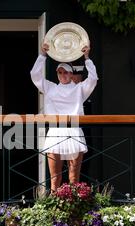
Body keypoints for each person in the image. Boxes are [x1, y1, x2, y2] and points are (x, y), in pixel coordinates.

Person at [30, 43, 98, 192]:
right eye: (60, 72)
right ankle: (54, 213)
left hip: (73, 132)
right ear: (57, 74)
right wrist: (42, 55)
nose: (63, 75)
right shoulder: (50, 88)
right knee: (55, 179)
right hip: (55, 132)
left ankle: (72, 212)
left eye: (66, 72)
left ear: (71, 73)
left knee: (74, 178)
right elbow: (34, 75)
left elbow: (93, 79)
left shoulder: (79, 89)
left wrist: (87, 58)